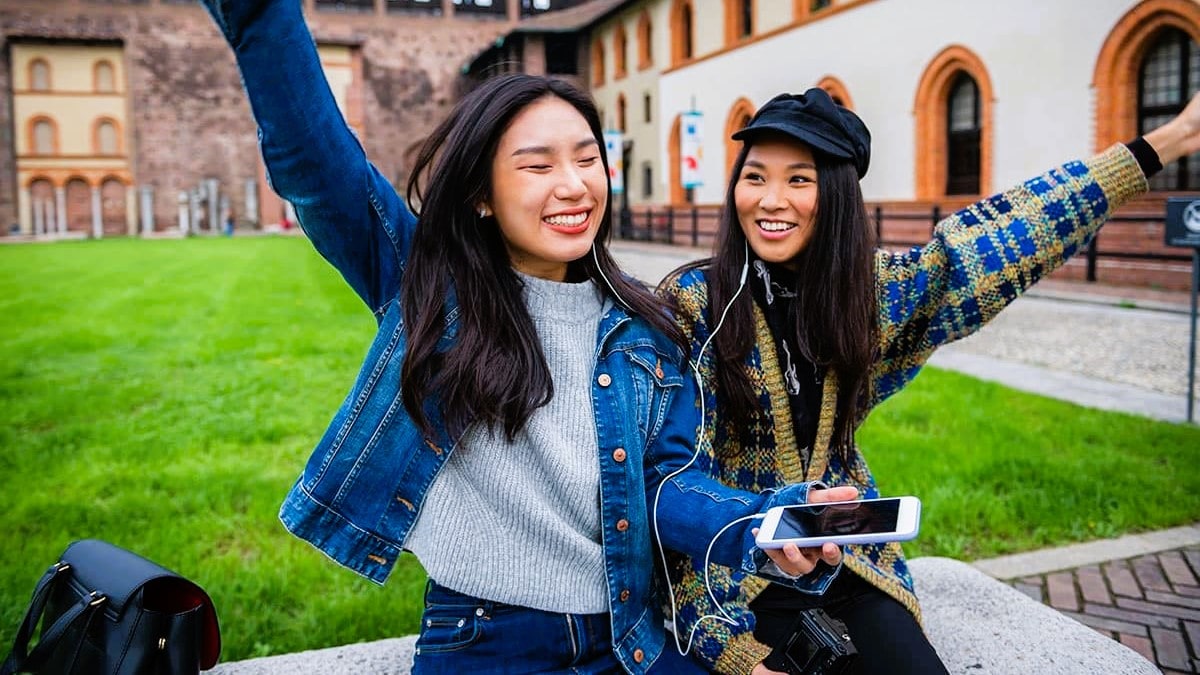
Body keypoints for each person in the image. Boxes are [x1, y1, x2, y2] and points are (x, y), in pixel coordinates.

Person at [198, 2, 859, 673]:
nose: (572, 185)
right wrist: (261, 17)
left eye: (585, 159)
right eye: (537, 166)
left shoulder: (645, 329)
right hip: (484, 640)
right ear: (482, 194)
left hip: (624, 637)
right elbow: (315, 160)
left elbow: (666, 486)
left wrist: (761, 522)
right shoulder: (426, 283)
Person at [659, 88, 1200, 674]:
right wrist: (732, 652)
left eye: (799, 180)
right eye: (755, 177)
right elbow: (673, 485)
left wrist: (1170, 141)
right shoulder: (694, 305)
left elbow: (1003, 240)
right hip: (732, 578)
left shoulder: (871, 293)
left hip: (849, 556)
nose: (770, 200)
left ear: (836, 195)